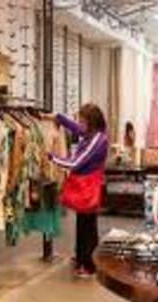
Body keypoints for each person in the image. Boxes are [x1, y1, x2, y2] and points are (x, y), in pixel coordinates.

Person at [47, 104, 109, 277]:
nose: (80, 124)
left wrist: (52, 157)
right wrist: (58, 117)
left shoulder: (98, 139)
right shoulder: (91, 134)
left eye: (82, 121)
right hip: (85, 187)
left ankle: (89, 265)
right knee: (83, 223)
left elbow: (75, 163)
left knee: (88, 226)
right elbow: (74, 127)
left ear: (91, 122)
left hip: (89, 187)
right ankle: (82, 258)